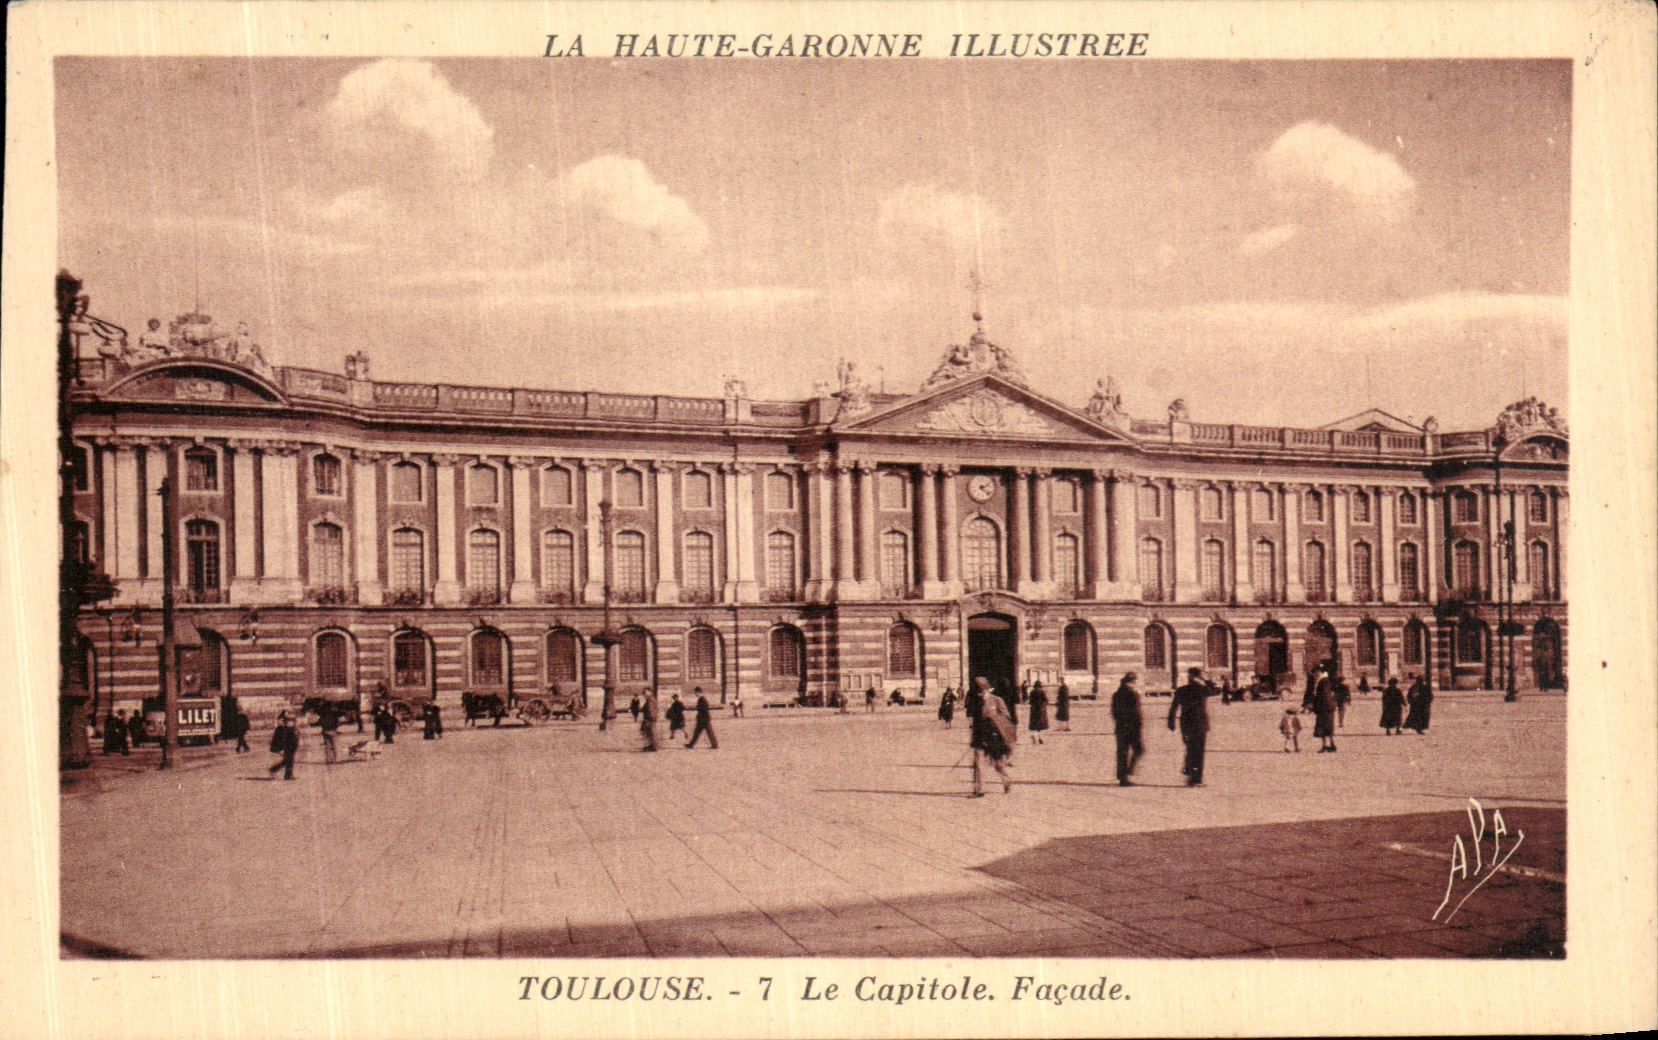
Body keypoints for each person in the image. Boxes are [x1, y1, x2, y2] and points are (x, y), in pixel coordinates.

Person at [969, 677, 1016, 797]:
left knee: (998, 764)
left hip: (994, 738)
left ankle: (1006, 781)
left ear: (988, 689)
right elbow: (975, 721)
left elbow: (1006, 718)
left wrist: (994, 721)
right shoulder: (976, 702)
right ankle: (978, 790)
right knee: (978, 763)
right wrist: (974, 738)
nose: (981, 694)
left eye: (983, 691)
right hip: (980, 737)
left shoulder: (997, 700)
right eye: (979, 691)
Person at [1168, 667, 1212, 786]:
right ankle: (1195, 778)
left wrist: (1171, 722)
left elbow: (1173, 707)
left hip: (1186, 724)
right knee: (1198, 751)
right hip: (1199, 724)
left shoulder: (1182, 690)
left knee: (1191, 748)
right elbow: (1214, 690)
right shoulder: (1202, 689)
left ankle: (1190, 771)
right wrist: (1206, 680)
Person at [1111, 673, 1144, 786]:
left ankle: (1122, 778)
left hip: (1120, 727)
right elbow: (1136, 713)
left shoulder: (1116, 694)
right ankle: (1129, 771)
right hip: (1132, 728)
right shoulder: (1133, 694)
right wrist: (1138, 726)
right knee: (1139, 750)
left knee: (1122, 752)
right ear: (1133, 681)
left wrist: (1120, 722)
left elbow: (1114, 712)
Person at [1312, 666, 1338, 753]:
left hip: (1325, 708)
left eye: (1315, 673)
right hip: (1327, 708)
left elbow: (1325, 695)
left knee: (1324, 727)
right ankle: (1331, 745)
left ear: (1319, 672)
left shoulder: (1323, 681)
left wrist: (1319, 707)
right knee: (1327, 727)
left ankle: (1326, 745)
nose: (1314, 675)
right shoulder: (1323, 680)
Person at [268, 712, 299, 780]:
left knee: (288, 761)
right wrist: (281, 749)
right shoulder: (282, 729)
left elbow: (294, 737)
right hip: (286, 747)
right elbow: (281, 740)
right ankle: (286, 775)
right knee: (288, 761)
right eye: (290, 720)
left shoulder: (290, 728)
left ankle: (284, 774)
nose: (292, 722)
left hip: (291, 747)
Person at [1027, 680, 1049, 745]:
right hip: (1041, 710)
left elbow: (1030, 702)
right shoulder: (1042, 692)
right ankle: (1039, 737)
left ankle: (1035, 737)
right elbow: (1046, 701)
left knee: (1034, 725)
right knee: (1040, 726)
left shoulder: (1032, 692)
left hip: (1034, 711)